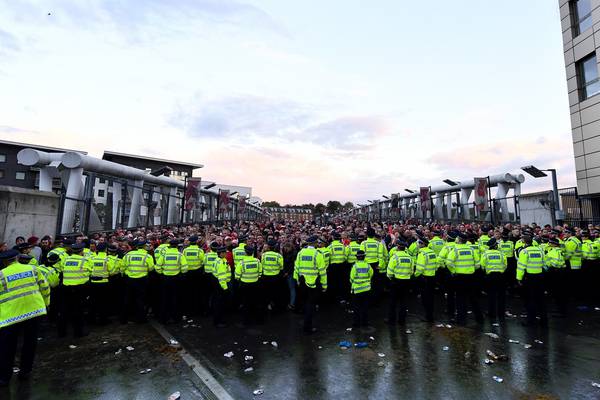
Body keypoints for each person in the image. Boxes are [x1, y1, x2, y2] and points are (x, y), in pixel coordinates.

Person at [0, 249, 50, 387]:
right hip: (34, 311)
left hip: (10, 316)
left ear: (4, 262)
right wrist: (46, 304)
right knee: (30, 343)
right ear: (17, 258)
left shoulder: (1, 275)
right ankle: (25, 371)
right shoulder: (33, 269)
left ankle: (4, 377)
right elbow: (45, 287)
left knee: (7, 347)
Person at [57, 242, 92, 337]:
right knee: (78, 311)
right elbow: (90, 271)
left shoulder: (66, 259)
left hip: (66, 288)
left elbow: (62, 269)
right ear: (82, 251)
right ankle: (78, 332)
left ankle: (61, 332)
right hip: (79, 288)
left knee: (64, 311)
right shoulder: (85, 260)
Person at [447, 233, 483, 325]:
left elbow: (449, 263)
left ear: (459, 240)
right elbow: (478, 263)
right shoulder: (471, 249)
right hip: (470, 276)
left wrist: (454, 271)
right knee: (473, 298)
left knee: (460, 299)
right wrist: (472, 269)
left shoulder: (455, 250)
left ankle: (461, 320)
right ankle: (479, 318)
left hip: (459, 277)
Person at [294, 235, 327, 334]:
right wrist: (324, 286)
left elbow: (296, 267)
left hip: (302, 282)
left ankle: (306, 324)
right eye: (317, 242)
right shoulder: (318, 254)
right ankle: (308, 327)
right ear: (315, 243)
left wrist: (297, 280)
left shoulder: (301, 253)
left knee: (305, 304)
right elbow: (322, 272)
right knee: (311, 306)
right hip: (313, 284)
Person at [120, 239, 154, 323]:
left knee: (127, 299)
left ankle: (124, 319)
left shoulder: (128, 255)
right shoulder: (147, 256)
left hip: (129, 280)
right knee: (140, 300)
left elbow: (122, 268)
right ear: (143, 246)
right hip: (142, 280)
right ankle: (140, 319)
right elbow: (151, 268)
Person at [517, 234, 547, 327]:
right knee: (541, 299)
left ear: (524, 242)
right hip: (540, 276)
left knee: (530, 300)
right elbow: (544, 264)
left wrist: (519, 278)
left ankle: (531, 321)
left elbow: (521, 267)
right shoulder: (540, 250)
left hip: (529, 278)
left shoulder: (524, 252)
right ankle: (544, 320)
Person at [155, 239, 188, 324]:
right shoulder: (180, 255)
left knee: (165, 298)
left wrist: (162, 273)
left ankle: (164, 318)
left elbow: (157, 267)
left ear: (169, 245)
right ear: (177, 246)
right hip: (176, 279)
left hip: (165, 278)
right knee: (175, 298)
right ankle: (175, 318)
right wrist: (181, 274)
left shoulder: (164, 254)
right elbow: (185, 268)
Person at [386, 240, 414, 325]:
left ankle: (391, 320)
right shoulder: (409, 257)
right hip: (406, 281)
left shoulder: (394, 257)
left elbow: (389, 272)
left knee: (393, 302)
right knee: (403, 301)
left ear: (397, 247)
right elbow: (411, 271)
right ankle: (402, 320)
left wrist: (391, 279)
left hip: (395, 281)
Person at [480, 238, 507, 322]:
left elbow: (482, 265)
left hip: (490, 276)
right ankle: (501, 313)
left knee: (491, 295)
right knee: (501, 295)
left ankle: (492, 313)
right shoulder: (502, 254)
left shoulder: (485, 254)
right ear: (496, 246)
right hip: (500, 276)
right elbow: (505, 265)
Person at [235, 245, 263, 325]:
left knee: (245, 303)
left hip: (245, 285)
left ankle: (246, 321)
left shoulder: (242, 262)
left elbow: (237, 276)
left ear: (245, 253)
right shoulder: (257, 261)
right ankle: (257, 320)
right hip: (255, 284)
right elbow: (260, 273)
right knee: (255, 302)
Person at [415, 237, 438, 322]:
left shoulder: (422, 254)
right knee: (431, 298)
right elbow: (437, 264)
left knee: (425, 299)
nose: (417, 245)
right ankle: (430, 315)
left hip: (425, 278)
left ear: (422, 244)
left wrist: (415, 275)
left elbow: (420, 268)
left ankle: (428, 317)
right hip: (432, 277)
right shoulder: (432, 252)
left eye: (419, 243)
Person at [349, 250, 373, 328]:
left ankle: (356, 323)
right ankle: (365, 322)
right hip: (366, 289)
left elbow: (351, 278)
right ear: (364, 257)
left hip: (357, 290)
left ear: (357, 258)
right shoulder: (368, 266)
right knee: (365, 307)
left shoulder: (355, 266)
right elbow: (371, 275)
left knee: (356, 307)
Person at [183, 235, 205, 316]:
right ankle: (198, 310)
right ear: (196, 241)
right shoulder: (200, 251)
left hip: (188, 273)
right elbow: (203, 262)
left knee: (189, 292)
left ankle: (189, 310)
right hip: (197, 273)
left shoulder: (185, 250)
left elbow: (184, 260)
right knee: (198, 292)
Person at [545, 237, 567, 317]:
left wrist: (550, 266)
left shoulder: (554, 251)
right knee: (559, 292)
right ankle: (560, 309)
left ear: (553, 244)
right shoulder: (558, 250)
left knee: (557, 292)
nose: (549, 244)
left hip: (556, 272)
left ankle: (560, 311)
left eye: (550, 242)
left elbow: (556, 262)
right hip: (559, 272)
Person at [261, 240, 284, 312]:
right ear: (275, 247)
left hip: (266, 276)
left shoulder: (264, 255)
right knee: (275, 292)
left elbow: (262, 264)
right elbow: (281, 267)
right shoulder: (278, 256)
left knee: (266, 292)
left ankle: (267, 305)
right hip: (275, 277)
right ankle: (275, 307)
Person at [210, 246, 230, 328]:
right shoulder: (221, 263)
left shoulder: (219, 260)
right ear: (220, 253)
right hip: (221, 285)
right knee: (219, 304)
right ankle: (218, 322)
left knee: (218, 303)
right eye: (224, 252)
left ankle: (218, 320)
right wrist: (225, 288)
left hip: (217, 283)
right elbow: (222, 277)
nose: (226, 253)